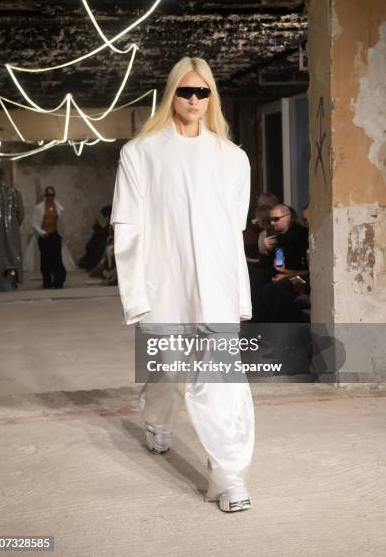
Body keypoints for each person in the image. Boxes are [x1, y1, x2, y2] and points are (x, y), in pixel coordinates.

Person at [111, 56, 255, 513]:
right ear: (171, 94)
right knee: (166, 372)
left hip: (215, 288)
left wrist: (239, 294)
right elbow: (127, 227)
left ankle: (229, 476)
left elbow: (233, 233)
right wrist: (136, 297)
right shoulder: (140, 153)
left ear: (212, 97)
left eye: (202, 92)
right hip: (164, 283)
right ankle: (157, 421)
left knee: (222, 384)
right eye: (185, 91)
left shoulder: (232, 158)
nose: (193, 99)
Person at [250, 203, 309, 322]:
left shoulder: (301, 234)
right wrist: (265, 249)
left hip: (302, 278)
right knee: (258, 278)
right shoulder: (280, 237)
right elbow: (275, 265)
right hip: (290, 275)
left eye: (275, 219)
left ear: (287, 217)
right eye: (271, 220)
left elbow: (305, 269)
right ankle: (260, 325)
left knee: (275, 288)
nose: (272, 223)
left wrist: (285, 274)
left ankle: (273, 329)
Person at [31, 186, 66, 289]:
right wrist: (41, 232)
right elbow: (34, 223)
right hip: (44, 237)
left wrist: (62, 235)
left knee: (57, 260)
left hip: (55, 235)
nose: (50, 197)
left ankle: (58, 282)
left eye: (52, 195)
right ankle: (47, 282)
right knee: (45, 261)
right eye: (48, 195)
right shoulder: (39, 207)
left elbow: (62, 223)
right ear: (45, 196)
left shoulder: (58, 207)